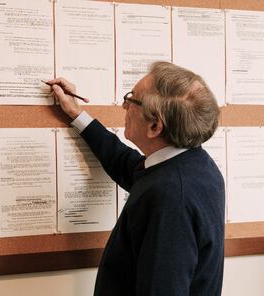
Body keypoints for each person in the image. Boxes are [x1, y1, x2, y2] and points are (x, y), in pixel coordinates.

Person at [48, 61, 225, 296]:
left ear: (155, 126)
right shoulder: (192, 165)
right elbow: (126, 164)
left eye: (132, 99)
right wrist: (76, 113)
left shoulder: (171, 196)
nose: (124, 105)